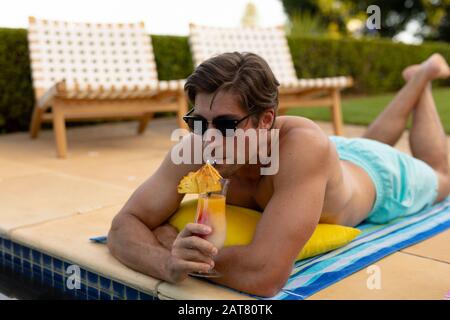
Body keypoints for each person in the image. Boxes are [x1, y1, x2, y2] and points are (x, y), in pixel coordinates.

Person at [107, 52, 450, 297]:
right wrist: (168, 263)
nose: (208, 138)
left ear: (266, 120)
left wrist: (190, 258)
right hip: (333, 159)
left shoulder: (303, 149)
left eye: (227, 124)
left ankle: (422, 79)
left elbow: (265, 275)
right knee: (369, 141)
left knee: (442, 175)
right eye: (198, 122)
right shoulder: (198, 143)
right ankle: (417, 79)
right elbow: (124, 224)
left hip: (382, 178)